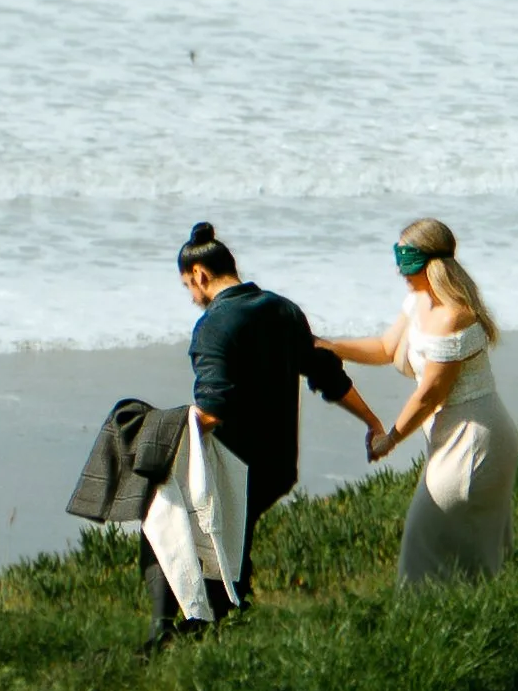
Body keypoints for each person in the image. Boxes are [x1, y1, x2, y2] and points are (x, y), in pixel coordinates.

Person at [142, 221, 384, 641]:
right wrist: (373, 421)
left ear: (199, 275)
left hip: (233, 463)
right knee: (232, 538)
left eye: (188, 286)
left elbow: (213, 408)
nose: (191, 296)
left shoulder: (214, 325)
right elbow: (327, 374)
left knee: (162, 511)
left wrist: (166, 433)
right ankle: (221, 619)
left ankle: (174, 628)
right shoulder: (283, 309)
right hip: (276, 466)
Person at [319, 216, 518, 588]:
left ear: (432, 266)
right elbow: (385, 348)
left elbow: (430, 395)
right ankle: (467, 622)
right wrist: (329, 346)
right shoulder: (417, 301)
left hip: (475, 441)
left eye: (407, 267)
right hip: (449, 438)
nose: (401, 275)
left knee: (422, 543)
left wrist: (389, 439)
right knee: (463, 553)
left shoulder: (454, 317)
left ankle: (420, 626)